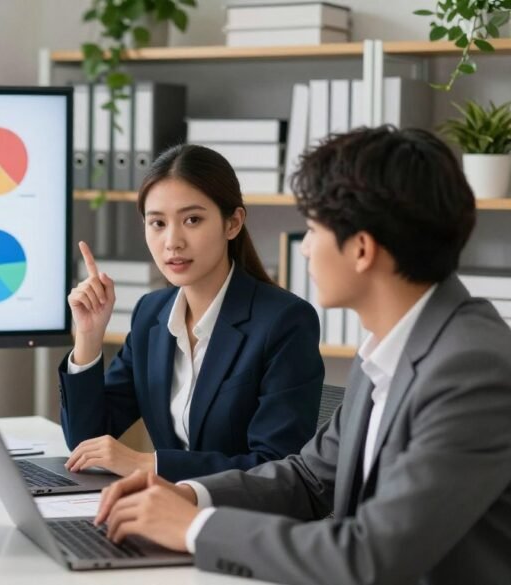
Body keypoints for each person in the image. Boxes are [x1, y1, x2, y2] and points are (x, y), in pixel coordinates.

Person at [95, 126, 511, 584]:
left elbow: (370, 556)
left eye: (312, 229)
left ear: (362, 249)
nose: (305, 247)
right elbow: (310, 480)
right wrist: (188, 496)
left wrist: (195, 529)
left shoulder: (472, 370)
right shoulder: (387, 351)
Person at [59, 144, 324, 481]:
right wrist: (88, 336)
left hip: (234, 521)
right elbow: (86, 442)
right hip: (162, 513)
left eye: (192, 220)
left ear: (233, 223)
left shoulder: (284, 322)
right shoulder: (150, 315)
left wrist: (150, 465)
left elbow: (276, 468)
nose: (172, 241)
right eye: (157, 223)